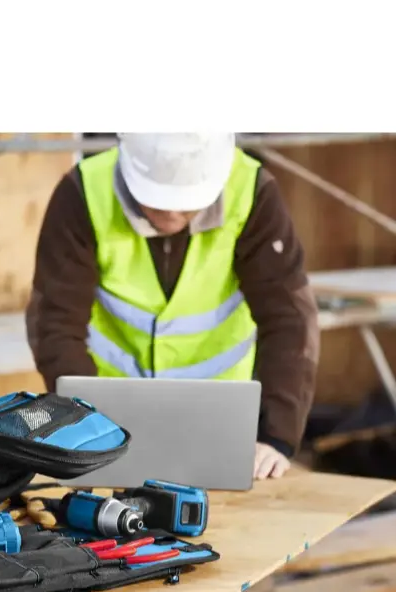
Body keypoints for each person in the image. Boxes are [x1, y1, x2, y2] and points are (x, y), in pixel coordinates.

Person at [25, 133, 320, 480]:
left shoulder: (252, 192)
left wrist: (275, 436)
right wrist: (85, 427)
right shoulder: (84, 193)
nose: (170, 213)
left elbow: (288, 318)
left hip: (222, 421)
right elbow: (55, 323)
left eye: (186, 203)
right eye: (156, 200)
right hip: (107, 419)